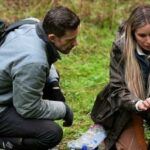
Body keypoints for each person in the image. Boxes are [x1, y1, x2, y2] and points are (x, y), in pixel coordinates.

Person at [0, 6, 80, 150]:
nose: (76, 43)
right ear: (52, 38)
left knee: (50, 79)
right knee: (51, 133)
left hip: (5, 86)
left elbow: (44, 58)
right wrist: (64, 110)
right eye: (70, 40)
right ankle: (5, 140)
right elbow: (28, 108)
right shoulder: (33, 61)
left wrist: (54, 83)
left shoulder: (32, 24)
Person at [91, 4, 150, 150]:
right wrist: (137, 104)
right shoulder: (121, 47)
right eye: (142, 35)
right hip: (127, 107)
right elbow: (117, 88)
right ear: (132, 33)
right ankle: (102, 135)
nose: (148, 41)